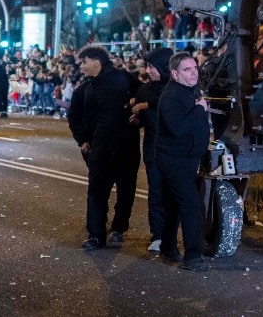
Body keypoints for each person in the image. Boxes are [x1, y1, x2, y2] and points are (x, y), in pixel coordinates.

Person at [67, 45, 140, 250]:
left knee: (126, 190)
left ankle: (118, 228)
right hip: (99, 148)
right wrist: (82, 140)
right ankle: (96, 234)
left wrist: (138, 109)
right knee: (97, 191)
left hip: (126, 147)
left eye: (84, 62)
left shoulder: (124, 79)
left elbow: (144, 96)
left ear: (96, 62)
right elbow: (73, 116)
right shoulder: (84, 90)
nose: (81, 66)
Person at [156, 52, 212, 271]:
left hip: (188, 158)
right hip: (173, 159)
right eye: (187, 70)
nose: (193, 73)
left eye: (195, 68)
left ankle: (168, 247)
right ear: (174, 74)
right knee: (190, 204)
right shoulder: (170, 96)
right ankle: (193, 256)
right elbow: (178, 128)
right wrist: (199, 109)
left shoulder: (190, 90)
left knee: (176, 204)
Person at [131, 47, 173, 253]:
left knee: (173, 193)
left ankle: (171, 235)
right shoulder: (144, 89)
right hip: (152, 149)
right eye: (147, 66)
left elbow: (169, 105)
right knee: (156, 192)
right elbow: (139, 120)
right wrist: (135, 116)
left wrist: (145, 106)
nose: (149, 71)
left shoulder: (176, 87)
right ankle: (158, 234)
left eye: (153, 66)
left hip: (174, 150)